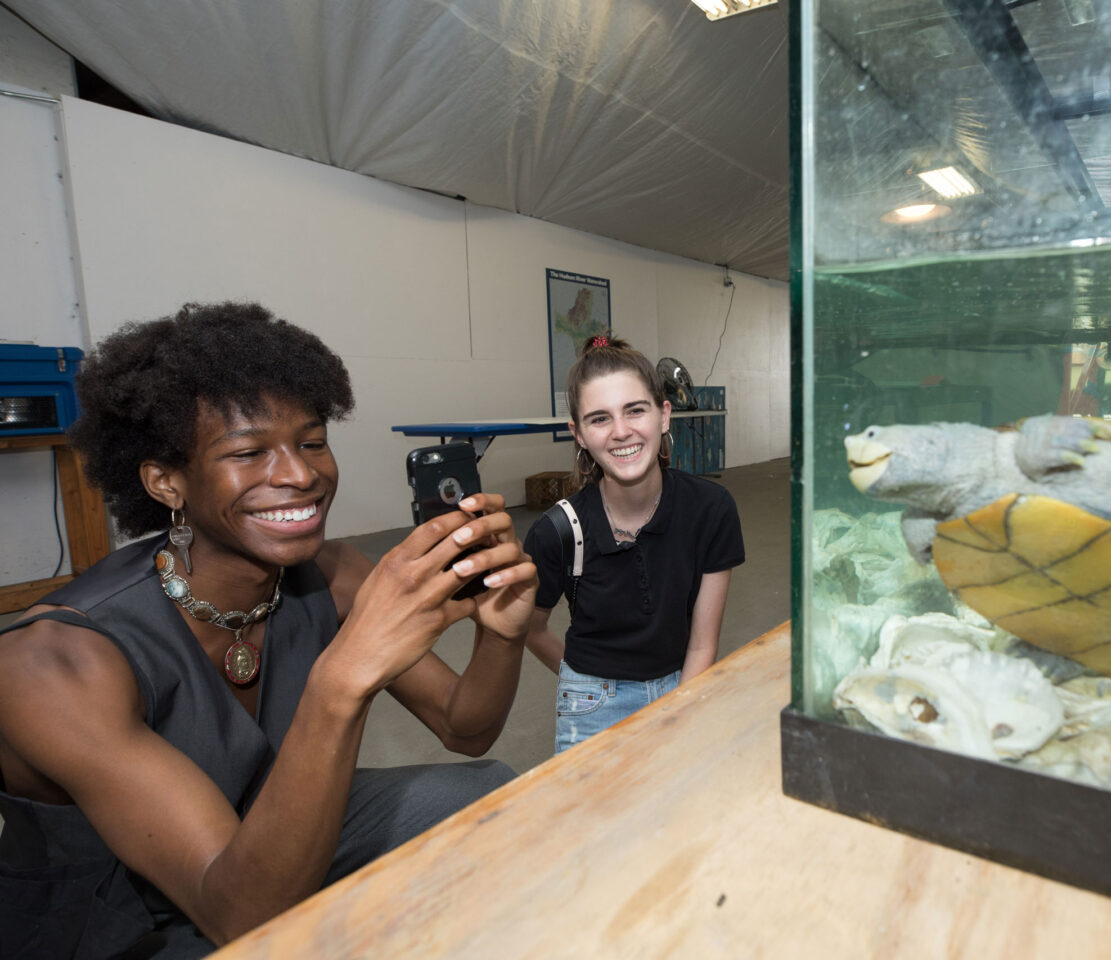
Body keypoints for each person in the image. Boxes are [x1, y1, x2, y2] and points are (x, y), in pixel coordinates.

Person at [0, 302, 538, 959]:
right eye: (250, 452)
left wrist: (502, 635)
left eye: (312, 441)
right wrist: (343, 679)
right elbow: (243, 916)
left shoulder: (330, 571)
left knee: (487, 794)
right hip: (112, 920)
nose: (301, 474)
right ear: (166, 483)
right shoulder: (50, 664)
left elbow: (466, 727)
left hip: (255, 830)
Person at [523, 334, 744, 754]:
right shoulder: (556, 531)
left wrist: (677, 711)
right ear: (579, 434)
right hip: (590, 706)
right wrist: (584, 686)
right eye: (599, 418)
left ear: (663, 415)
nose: (621, 432)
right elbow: (530, 629)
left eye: (635, 410)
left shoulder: (711, 509)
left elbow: (701, 643)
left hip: (684, 685)